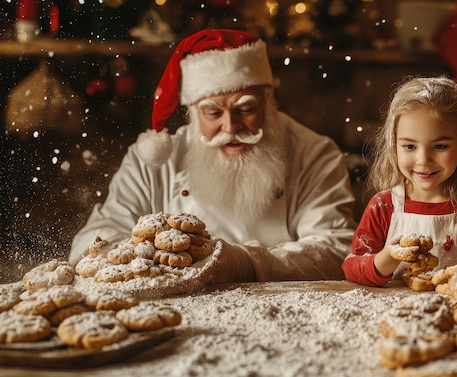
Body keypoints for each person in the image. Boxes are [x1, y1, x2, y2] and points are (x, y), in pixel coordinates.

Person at [69, 29, 357, 282]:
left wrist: (243, 262)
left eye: (246, 109)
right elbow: (96, 237)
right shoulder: (155, 159)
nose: (231, 127)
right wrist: (146, 259)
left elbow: (335, 248)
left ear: (268, 103)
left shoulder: (314, 154)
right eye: (213, 112)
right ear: (192, 112)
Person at [342, 76, 457, 287]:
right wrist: (388, 257)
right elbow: (352, 267)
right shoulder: (383, 207)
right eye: (409, 146)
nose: (423, 160)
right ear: (393, 145)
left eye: (440, 146)